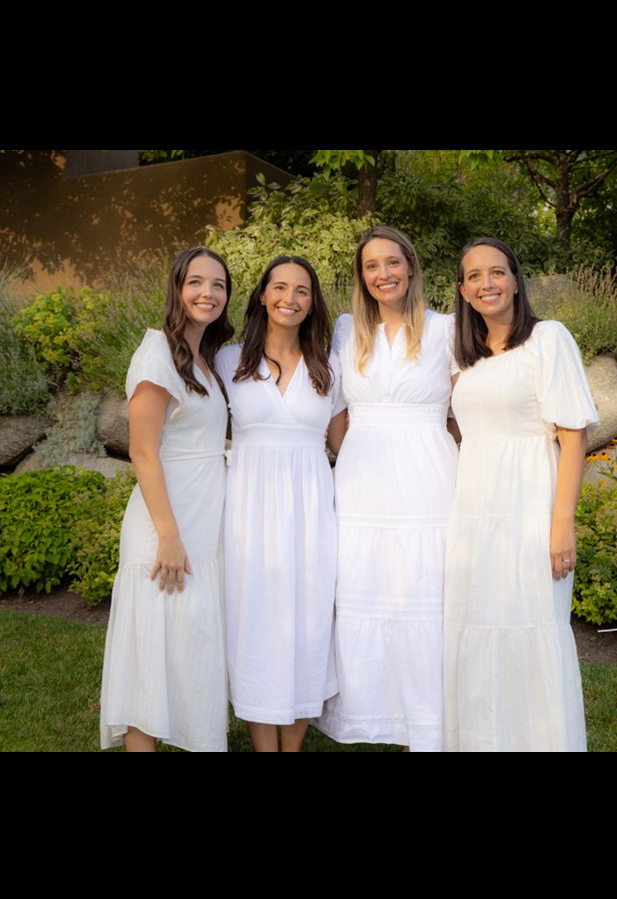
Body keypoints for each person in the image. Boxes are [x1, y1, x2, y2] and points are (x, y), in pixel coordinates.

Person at [444, 237, 599, 752]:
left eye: (497, 272)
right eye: (474, 276)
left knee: (531, 624)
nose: (486, 283)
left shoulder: (548, 339)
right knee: (477, 625)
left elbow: (573, 434)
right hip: (474, 508)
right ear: (462, 291)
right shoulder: (464, 357)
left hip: (530, 503)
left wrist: (562, 523)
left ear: (515, 280)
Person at [314, 225, 459, 752]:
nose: (383, 274)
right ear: (361, 276)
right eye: (371, 266)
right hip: (362, 484)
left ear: (411, 266)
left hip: (428, 482)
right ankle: (376, 717)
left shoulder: (446, 329)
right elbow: (334, 409)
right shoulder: (348, 329)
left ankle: (425, 730)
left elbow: (465, 409)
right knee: (365, 589)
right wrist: (353, 453)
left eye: (392, 262)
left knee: (425, 596)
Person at [100, 247, 233, 753]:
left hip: (201, 519)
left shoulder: (204, 359)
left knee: (187, 649)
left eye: (218, 285)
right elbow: (142, 450)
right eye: (196, 282)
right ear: (177, 288)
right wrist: (169, 535)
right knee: (150, 658)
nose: (207, 293)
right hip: (166, 525)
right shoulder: (156, 353)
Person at [215, 256, 345, 752]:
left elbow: (344, 444)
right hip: (248, 513)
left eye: (302, 291)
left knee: (310, 626)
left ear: (313, 303)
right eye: (280, 287)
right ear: (263, 295)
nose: (290, 298)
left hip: (312, 513)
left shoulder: (329, 367)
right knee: (254, 625)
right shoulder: (228, 361)